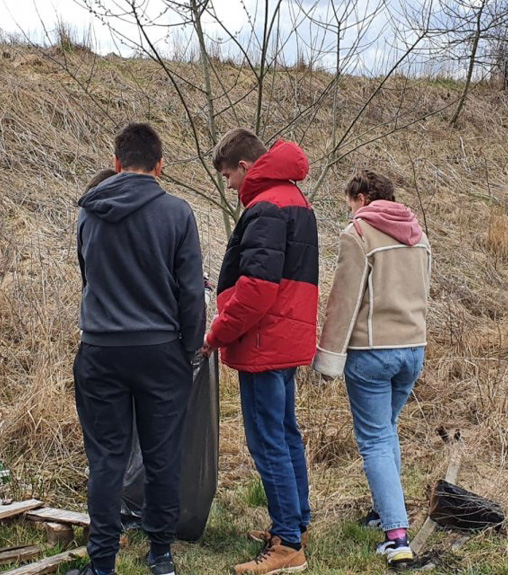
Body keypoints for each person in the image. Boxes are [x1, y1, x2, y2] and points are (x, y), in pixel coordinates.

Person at [73, 123, 206, 575]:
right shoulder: (177, 213)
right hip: (160, 351)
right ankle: (161, 556)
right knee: (162, 454)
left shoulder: (89, 212)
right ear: (160, 165)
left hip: (101, 350)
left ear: (116, 163)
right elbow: (190, 293)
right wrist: (189, 349)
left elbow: (87, 279)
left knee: (107, 459)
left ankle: (103, 563)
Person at [202, 128, 318, 575]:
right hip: (285, 338)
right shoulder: (293, 200)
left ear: (246, 167)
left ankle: (288, 545)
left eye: (229, 175)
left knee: (267, 441)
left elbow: (257, 288)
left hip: (263, 341)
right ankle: (296, 522)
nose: (230, 185)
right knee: (285, 434)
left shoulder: (267, 206)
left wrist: (218, 332)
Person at [312, 170, 431, 567]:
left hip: (372, 351)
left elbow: (343, 301)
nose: (349, 213)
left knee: (376, 440)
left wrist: (327, 359)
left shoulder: (358, 234)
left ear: (362, 197)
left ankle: (396, 537)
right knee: (387, 431)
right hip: (413, 348)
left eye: (350, 204)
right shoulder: (418, 233)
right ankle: (386, 511)